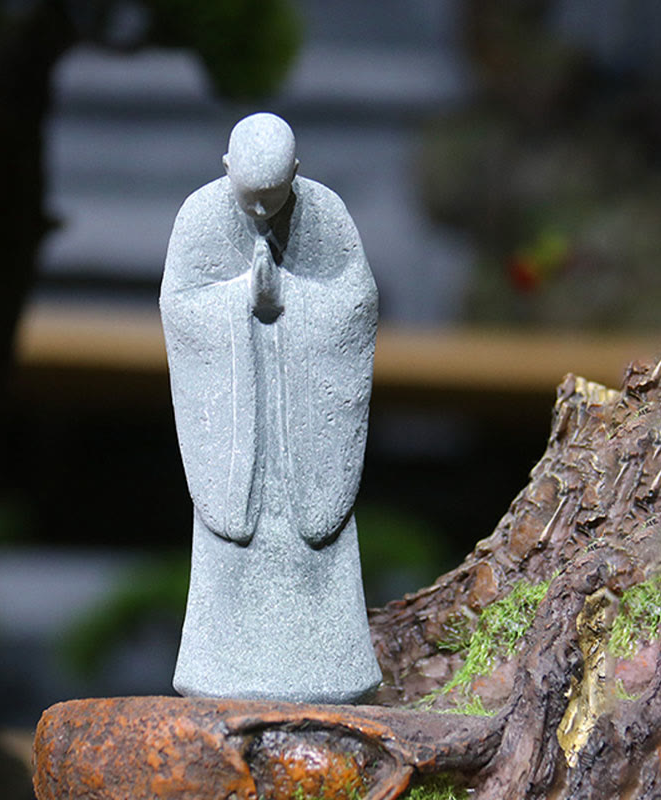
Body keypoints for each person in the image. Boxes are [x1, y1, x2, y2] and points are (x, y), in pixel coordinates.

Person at [160, 112, 381, 703]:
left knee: (318, 550)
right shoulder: (200, 217)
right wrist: (241, 303)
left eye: (273, 197)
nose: (260, 213)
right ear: (226, 167)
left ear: (297, 175)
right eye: (249, 197)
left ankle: (335, 671)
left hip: (307, 434)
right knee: (230, 551)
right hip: (240, 441)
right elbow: (182, 308)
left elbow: (354, 302)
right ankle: (218, 669)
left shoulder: (325, 213)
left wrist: (288, 301)